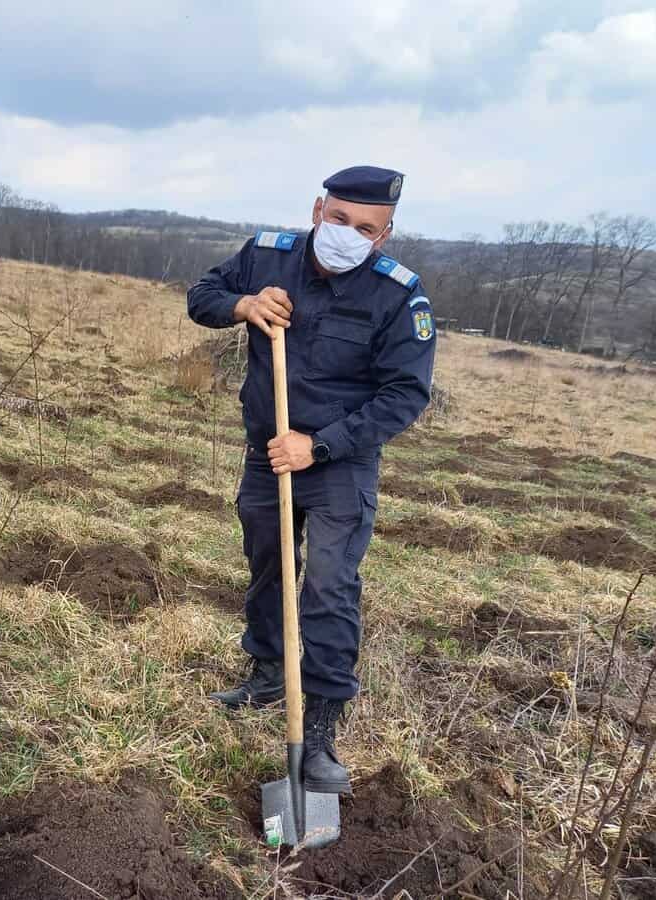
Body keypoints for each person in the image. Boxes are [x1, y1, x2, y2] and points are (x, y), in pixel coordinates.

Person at [187, 167, 436, 794]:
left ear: (384, 236)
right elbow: (200, 296)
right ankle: (269, 671)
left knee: (328, 583)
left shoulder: (399, 297)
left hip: (339, 461)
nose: (348, 235)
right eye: (339, 219)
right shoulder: (266, 255)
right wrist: (242, 303)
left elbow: (405, 395)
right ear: (319, 207)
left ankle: (320, 727)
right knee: (268, 560)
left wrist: (319, 445)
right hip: (266, 449)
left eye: (366, 229)